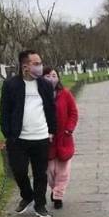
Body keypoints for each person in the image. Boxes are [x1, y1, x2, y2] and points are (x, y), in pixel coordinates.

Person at [0, 50, 56, 217]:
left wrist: (52, 130)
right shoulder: (11, 85)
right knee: (19, 170)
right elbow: (5, 111)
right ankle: (27, 195)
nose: (40, 67)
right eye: (36, 64)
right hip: (18, 138)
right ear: (25, 66)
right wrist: (8, 133)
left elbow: (51, 109)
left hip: (41, 136)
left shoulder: (45, 85)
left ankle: (40, 205)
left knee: (40, 174)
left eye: (40, 63)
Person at [42, 66, 79, 209]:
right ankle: (54, 188)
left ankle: (58, 196)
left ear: (58, 78)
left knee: (63, 171)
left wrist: (69, 129)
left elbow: (73, 113)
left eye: (54, 76)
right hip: (47, 139)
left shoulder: (65, 94)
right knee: (50, 171)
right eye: (47, 76)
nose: (51, 79)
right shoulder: (39, 95)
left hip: (64, 138)